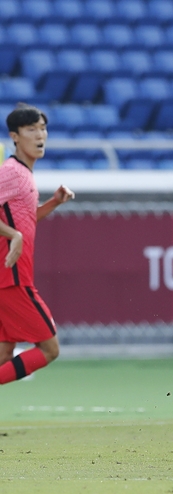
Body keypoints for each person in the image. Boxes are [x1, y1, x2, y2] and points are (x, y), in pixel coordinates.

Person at [0, 104, 74, 385]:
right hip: (13, 278)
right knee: (49, 349)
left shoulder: (23, 174)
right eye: (31, 129)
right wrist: (13, 235)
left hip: (10, 276)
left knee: (4, 352)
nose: (39, 134)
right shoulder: (12, 173)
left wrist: (53, 203)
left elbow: (25, 221)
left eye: (42, 128)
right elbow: (16, 231)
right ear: (14, 136)